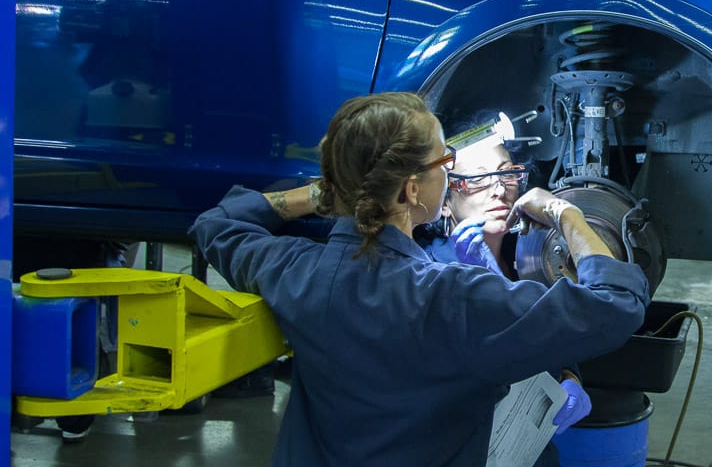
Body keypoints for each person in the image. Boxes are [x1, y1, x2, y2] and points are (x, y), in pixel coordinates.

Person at [189, 92, 650, 466]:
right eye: (444, 163)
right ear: (412, 189)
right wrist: (566, 213)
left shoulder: (296, 271)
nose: (448, 172)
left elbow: (216, 224)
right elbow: (615, 301)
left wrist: (319, 195)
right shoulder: (454, 299)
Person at [413, 134, 590, 466]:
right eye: (478, 178)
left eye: (506, 173)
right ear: (445, 199)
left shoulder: (532, 261)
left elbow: (555, 338)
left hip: (527, 448)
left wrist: (570, 376)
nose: (498, 189)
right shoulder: (426, 271)